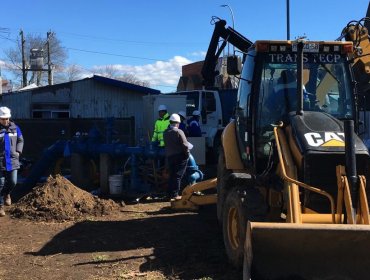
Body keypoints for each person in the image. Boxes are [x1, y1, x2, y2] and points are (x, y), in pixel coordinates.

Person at [0, 106, 24, 217]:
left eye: (7, 118)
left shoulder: (15, 128)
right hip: (0, 161)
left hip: (13, 160)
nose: (6, 121)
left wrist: (18, 151)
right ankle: (0, 206)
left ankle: (7, 193)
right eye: (3, 119)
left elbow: (20, 140)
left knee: (13, 181)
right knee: (1, 183)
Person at [163, 113, 192, 201]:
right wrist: (187, 154)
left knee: (172, 175)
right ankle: (175, 195)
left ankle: (169, 194)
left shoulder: (165, 133)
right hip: (180, 157)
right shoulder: (179, 132)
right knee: (177, 176)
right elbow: (185, 145)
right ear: (177, 123)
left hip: (170, 157)